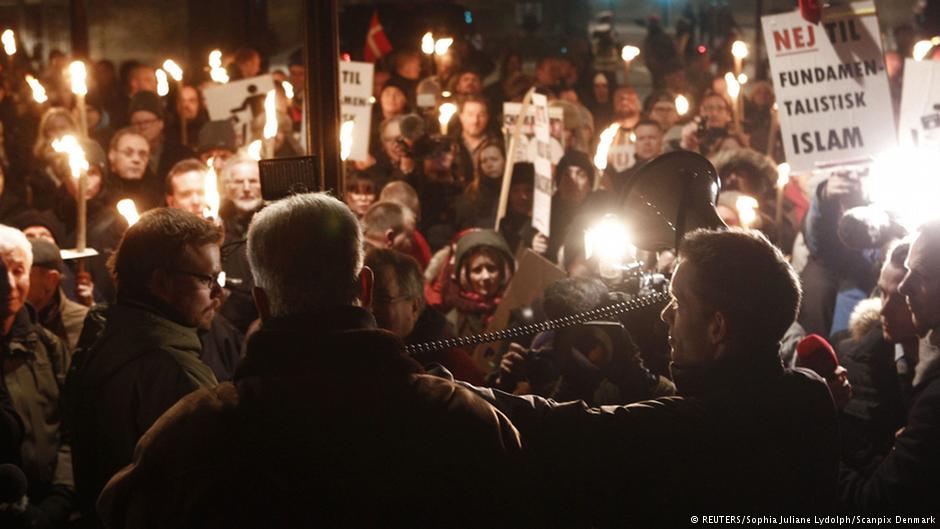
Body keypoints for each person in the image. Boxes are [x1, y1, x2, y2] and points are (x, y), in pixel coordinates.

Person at [97, 192, 522, 528]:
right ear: (366, 288)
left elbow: (122, 509)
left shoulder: (192, 433)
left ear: (261, 304)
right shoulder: (459, 418)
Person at [467, 228, 840, 525]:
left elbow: (559, 429)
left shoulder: (689, 428)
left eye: (678, 303)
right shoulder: (810, 393)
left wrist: (442, 389)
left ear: (717, 326)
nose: (664, 316)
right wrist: (637, 381)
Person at [65, 208, 220, 523]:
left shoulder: (101, 340)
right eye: (207, 279)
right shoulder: (175, 373)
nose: (218, 292)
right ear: (161, 282)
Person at [840, 220, 940, 513]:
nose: (884, 307)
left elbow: (878, 504)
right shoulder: (856, 364)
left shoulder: (932, 397)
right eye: (881, 292)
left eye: (919, 275)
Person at [0, 225, 75, 527]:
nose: (9, 284)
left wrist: (60, 497)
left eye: (18, 271)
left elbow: (72, 426)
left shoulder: (48, 347)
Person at [444, 229, 515, 338]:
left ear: (503, 272)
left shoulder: (515, 311)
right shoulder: (453, 323)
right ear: (465, 277)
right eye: (477, 270)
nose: (486, 276)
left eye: (491, 268)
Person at [27, 238, 89, 352]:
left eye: (23, 273)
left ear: (51, 280)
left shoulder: (84, 324)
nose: (13, 282)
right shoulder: (10, 321)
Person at [128, 91, 192, 179]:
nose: (143, 127)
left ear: (160, 123)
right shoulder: (127, 158)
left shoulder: (181, 155)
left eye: (147, 122)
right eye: (137, 123)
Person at [108, 127, 163, 211]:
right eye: (128, 153)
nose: (136, 159)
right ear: (112, 155)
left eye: (142, 154)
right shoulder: (97, 192)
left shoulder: (158, 196)